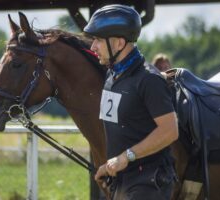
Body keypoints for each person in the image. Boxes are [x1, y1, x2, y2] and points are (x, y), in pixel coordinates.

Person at [83, 4, 179, 200]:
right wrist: (108, 165)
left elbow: (170, 130)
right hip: (121, 181)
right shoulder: (112, 76)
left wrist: (126, 157)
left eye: (98, 40)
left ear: (119, 43)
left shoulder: (149, 79)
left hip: (149, 184)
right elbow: (121, 131)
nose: (93, 47)